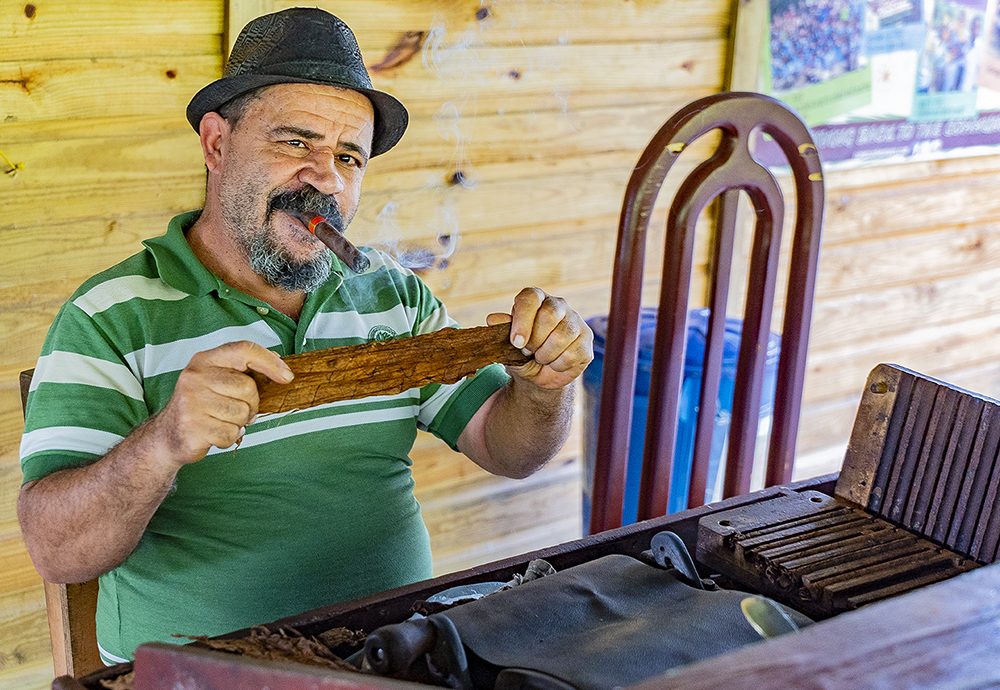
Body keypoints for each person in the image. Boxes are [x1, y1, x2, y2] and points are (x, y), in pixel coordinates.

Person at [17, 7, 593, 665]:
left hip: (395, 654)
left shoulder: (393, 294)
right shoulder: (111, 315)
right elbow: (58, 552)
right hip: (203, 675)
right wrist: (165, 441)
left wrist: (545, 388)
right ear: (216, 144)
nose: (327, 180)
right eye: (296, 143)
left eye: (349, 157)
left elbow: (507, 449)